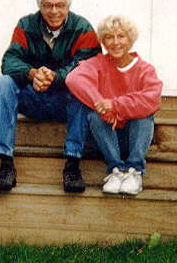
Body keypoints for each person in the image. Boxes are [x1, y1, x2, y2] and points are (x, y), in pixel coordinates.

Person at [0, 0, 101, 193]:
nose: (54, 11)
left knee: (83, 87)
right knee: (4, 83)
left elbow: (89, 65)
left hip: (65, 100)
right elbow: (9, 60)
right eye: (48, 5)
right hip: (34, 97)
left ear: (68, 6)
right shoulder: (26, 25)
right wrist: (32, 73)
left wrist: (56, 76)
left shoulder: (82, 28)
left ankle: (72, 164)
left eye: (59, 5)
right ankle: (5, 164)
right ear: (40, 6)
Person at [66, 15, 163, 195]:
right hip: (106, 137)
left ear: (130, 39)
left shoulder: (145, 69)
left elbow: (151, 99)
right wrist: (101, 104)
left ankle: (135, 171)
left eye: (121, 36)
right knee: (95, 115)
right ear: (103, 41)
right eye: (109, 37)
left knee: (143, 114)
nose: (116, 42)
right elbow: (74, 78)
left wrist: (114, 105)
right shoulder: (98, 63)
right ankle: (115, 170)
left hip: (134, 137)